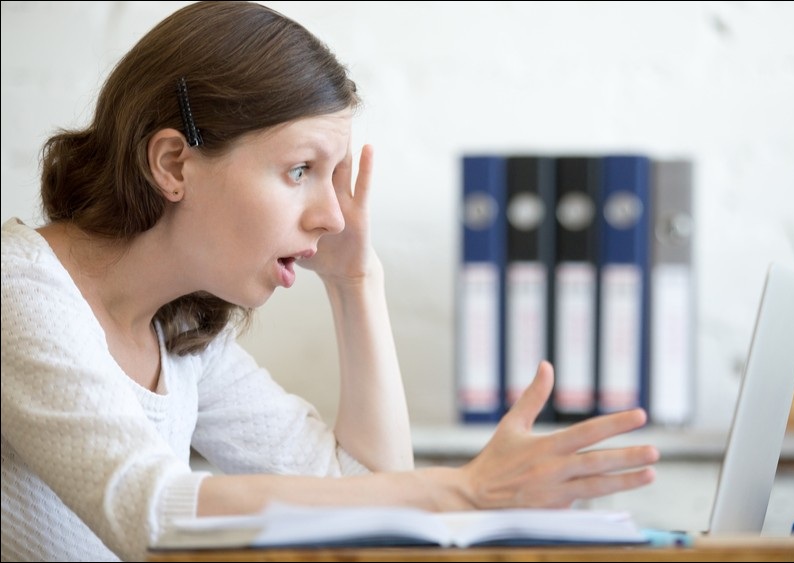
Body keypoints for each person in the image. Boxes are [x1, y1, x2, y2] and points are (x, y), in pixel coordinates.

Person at [0, 2, 659, 561]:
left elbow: (366, 496)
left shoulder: (181, 333)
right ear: (174, 163)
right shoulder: (19, 289)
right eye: (299, 170)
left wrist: (355, 281)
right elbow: (150, 512)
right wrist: (461, 488)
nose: (333, 215)